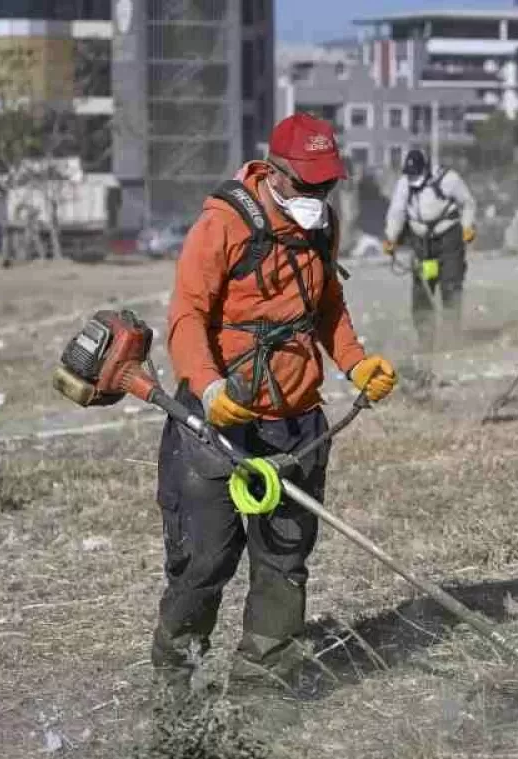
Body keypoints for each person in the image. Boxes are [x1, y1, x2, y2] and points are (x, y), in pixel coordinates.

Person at [156, 113, 398, 694]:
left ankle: (262, 688)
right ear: (275, 170)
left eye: (327, 185)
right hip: (214, 425)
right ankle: (176, 690)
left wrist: (356, 362)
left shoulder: (322, 225)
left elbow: (328, 304)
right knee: (204, 563)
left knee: (283, 565)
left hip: (296, 426)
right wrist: (210, 388)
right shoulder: (223, 224)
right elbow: (186, 315)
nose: (318, 195)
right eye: (307, 184)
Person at [382, 149, 477, 386]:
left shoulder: (448, 180)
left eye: (417, 174)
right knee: (421, 292)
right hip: (421, 242)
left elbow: (468, 203)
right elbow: (397, 211)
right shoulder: (405, 184)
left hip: (449, 238)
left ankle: (452, 337)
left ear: (426, 169)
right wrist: (391, 237)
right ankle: (426, 339)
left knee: (451, 286)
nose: (413, 178)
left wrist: (467, 226)